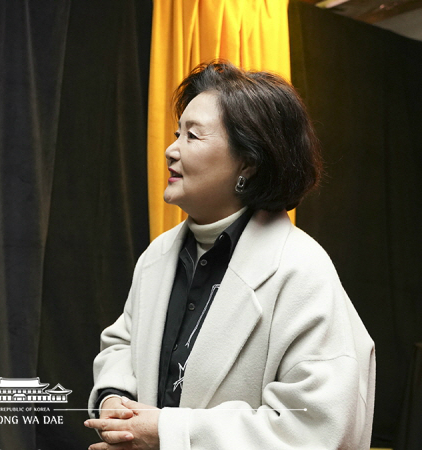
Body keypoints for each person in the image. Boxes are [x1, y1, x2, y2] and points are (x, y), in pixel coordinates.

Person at [84, 61, 375, 449]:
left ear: (249, 163)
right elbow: (123, 343)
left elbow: (315, 425)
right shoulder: (159, 255)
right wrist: (115, 400)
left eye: (192, 136)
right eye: (176, 133)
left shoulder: (301, 269)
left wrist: (168, 434)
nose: (170, 149)